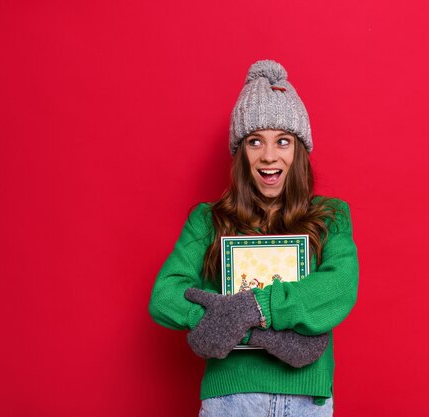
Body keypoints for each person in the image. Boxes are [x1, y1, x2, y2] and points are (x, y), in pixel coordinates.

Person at [149, 60, 359, 417]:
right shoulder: (207, 220)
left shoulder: (331, 216)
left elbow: (339, 287)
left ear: (299, 151)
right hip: (232, 399)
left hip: (308, 401)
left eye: (283, 141)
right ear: (241, 152)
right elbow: (164, 296)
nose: (269, 156)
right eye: (255, 141)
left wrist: (254, 308)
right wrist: (241, 326)